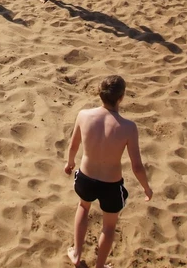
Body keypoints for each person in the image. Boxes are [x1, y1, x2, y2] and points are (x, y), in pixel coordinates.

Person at [64, 75, 152, 268]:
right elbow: (137, 166)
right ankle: (100, 266)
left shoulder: (84, 115)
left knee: (83, 207)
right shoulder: (128, 127)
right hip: (111, 185)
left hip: (86, 178)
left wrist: (69, 163)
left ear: (99, 93)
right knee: (109, 226)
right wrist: (146, 188)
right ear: (121, 97)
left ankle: (77, 254)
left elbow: (73, 146)